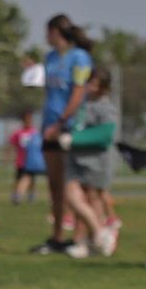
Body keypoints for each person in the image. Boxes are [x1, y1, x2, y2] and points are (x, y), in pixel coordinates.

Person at [33, 14, 93, 254]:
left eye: (48, 31)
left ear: (56, 31)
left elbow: (78, 93)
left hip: (69, 127)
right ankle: (57, 237)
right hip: (49, 126)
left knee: (74, 187)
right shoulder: (49, 58)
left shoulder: (80, 57)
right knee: (55, 186)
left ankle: (79, 238)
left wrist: (61, 122)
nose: (46, 37)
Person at [59, 67, 119, 257]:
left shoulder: (106, 107)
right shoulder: (84, 104)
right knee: (73, 197)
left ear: (104, 88)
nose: (90, 86)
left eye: (95, 83)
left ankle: (92, 240)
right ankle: (99, 234)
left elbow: (105, 134)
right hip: (76, 158)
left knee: (92, 200)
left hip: (96, 161)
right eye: (89, 82)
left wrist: (75, 139)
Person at [10, 110, 41, 205]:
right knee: (19, 178)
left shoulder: (35, 132)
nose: (28, 121)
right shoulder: (18, 132)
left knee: (30, 178)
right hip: (21, 160)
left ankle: (26, 195)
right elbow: (13, 143)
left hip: (31, 161)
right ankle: (17, 194)